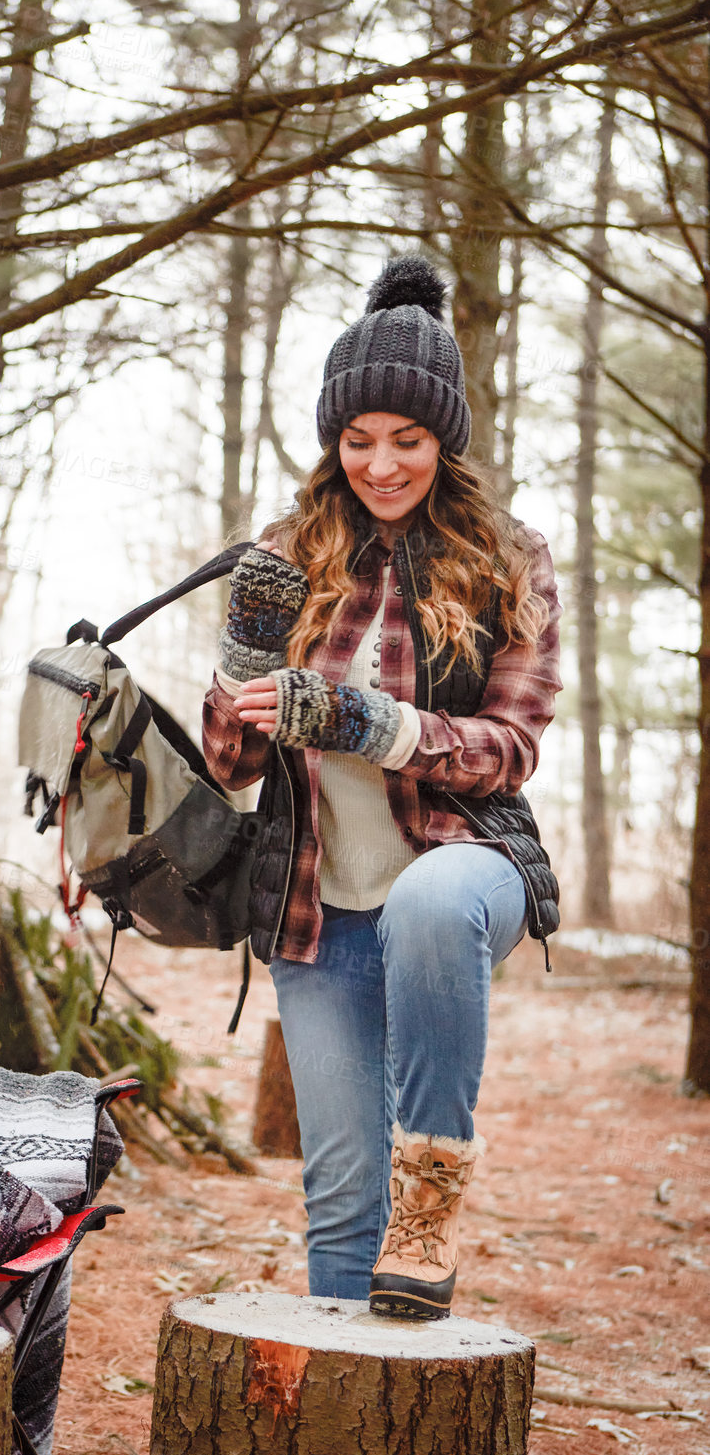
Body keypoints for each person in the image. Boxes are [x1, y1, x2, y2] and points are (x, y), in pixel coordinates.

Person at [202, 254, 562, 1319]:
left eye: (404, 440)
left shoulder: (508, 555)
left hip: (463, 878)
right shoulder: (287, 550)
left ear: (441, 439)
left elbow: (511, 743)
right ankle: (346, 1423)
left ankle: (435, 1191)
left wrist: (373, 723)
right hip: (316, 910)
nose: (379, 464)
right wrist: (241, 669)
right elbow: (227, 764)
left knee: (428, 900)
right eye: (356, 440)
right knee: (340, 1196)